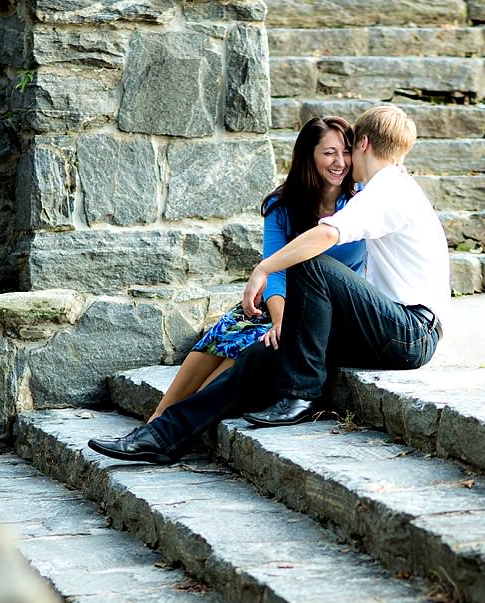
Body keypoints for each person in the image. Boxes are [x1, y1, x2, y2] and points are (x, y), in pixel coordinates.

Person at [87, 104, 449, 464]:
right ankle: (163, 436)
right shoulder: (386, 187)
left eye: (349, 148)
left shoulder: (387, 191)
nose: (345, 159)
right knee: (262, 352)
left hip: (411, 330)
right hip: (389, 329)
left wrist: (264, 268)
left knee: (311, 262)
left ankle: (300, 394)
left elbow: (325, 235)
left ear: (364, 143)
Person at [148, 116, 366, 420]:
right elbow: (275, 271)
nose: (339, 162)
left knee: (249, 344)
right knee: (231, 327)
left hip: (326, 310)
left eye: (345, 152)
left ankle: (184, 417)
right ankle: (158, 417)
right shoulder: (283, 205)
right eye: (329, 152)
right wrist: (279, 320)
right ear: (309, 156)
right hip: (280, 301)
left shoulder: (362, 202)